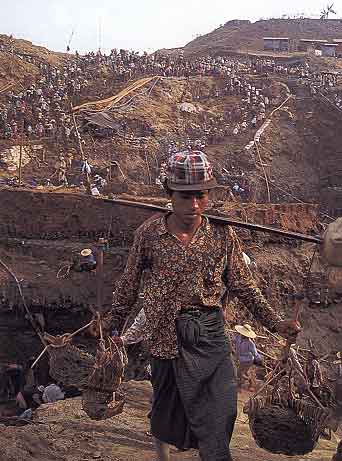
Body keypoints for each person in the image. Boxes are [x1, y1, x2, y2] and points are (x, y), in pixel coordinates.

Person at [102, 150, 301, 461]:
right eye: (185, 196)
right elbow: (129, 285)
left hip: (210, 335)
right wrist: (114, 324)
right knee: (168, 413)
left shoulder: (222, 235)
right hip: (166, 336)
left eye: (200, 196)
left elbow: (244, 285)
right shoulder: (149, 235)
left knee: (222, 411)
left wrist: (276, 324)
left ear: (208, 195)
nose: (193, 205)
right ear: (170, 194)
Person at [234, 324, 262, 390]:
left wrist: (259, 360)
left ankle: (240, 385)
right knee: (245, 372)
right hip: (240, 358)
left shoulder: (250, 343)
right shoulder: (238, 337)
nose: (243, 335)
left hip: (248, 360)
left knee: (239, 372)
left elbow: (255, 353)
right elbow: (234, 341)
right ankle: (250, 381)